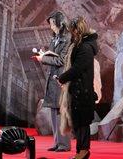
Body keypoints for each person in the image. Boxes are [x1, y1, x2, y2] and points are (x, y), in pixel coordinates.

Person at [58, 16, 98, 159]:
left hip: (83, 91)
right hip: (78, 90)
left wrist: (62, 78)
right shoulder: (81, 45)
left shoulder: (85, 47)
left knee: (82, 123)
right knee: (78, 123)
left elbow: (77, 68)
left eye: (72, 30)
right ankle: (80, 151)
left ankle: (83, 151)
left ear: (76, 30)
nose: (70, 33)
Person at [31, 11, 71, 152]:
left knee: (61, 112)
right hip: (53, 78)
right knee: (54, 112)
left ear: (60, 23)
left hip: (61, 78)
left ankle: (64, 144)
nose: (51, 26)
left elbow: (61, 60)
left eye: (53, 23)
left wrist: (44, 59)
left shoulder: (67, 39)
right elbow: (53, 56)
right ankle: (57, 142)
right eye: (51, 23)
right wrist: (43, 55)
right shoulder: (55, 38)